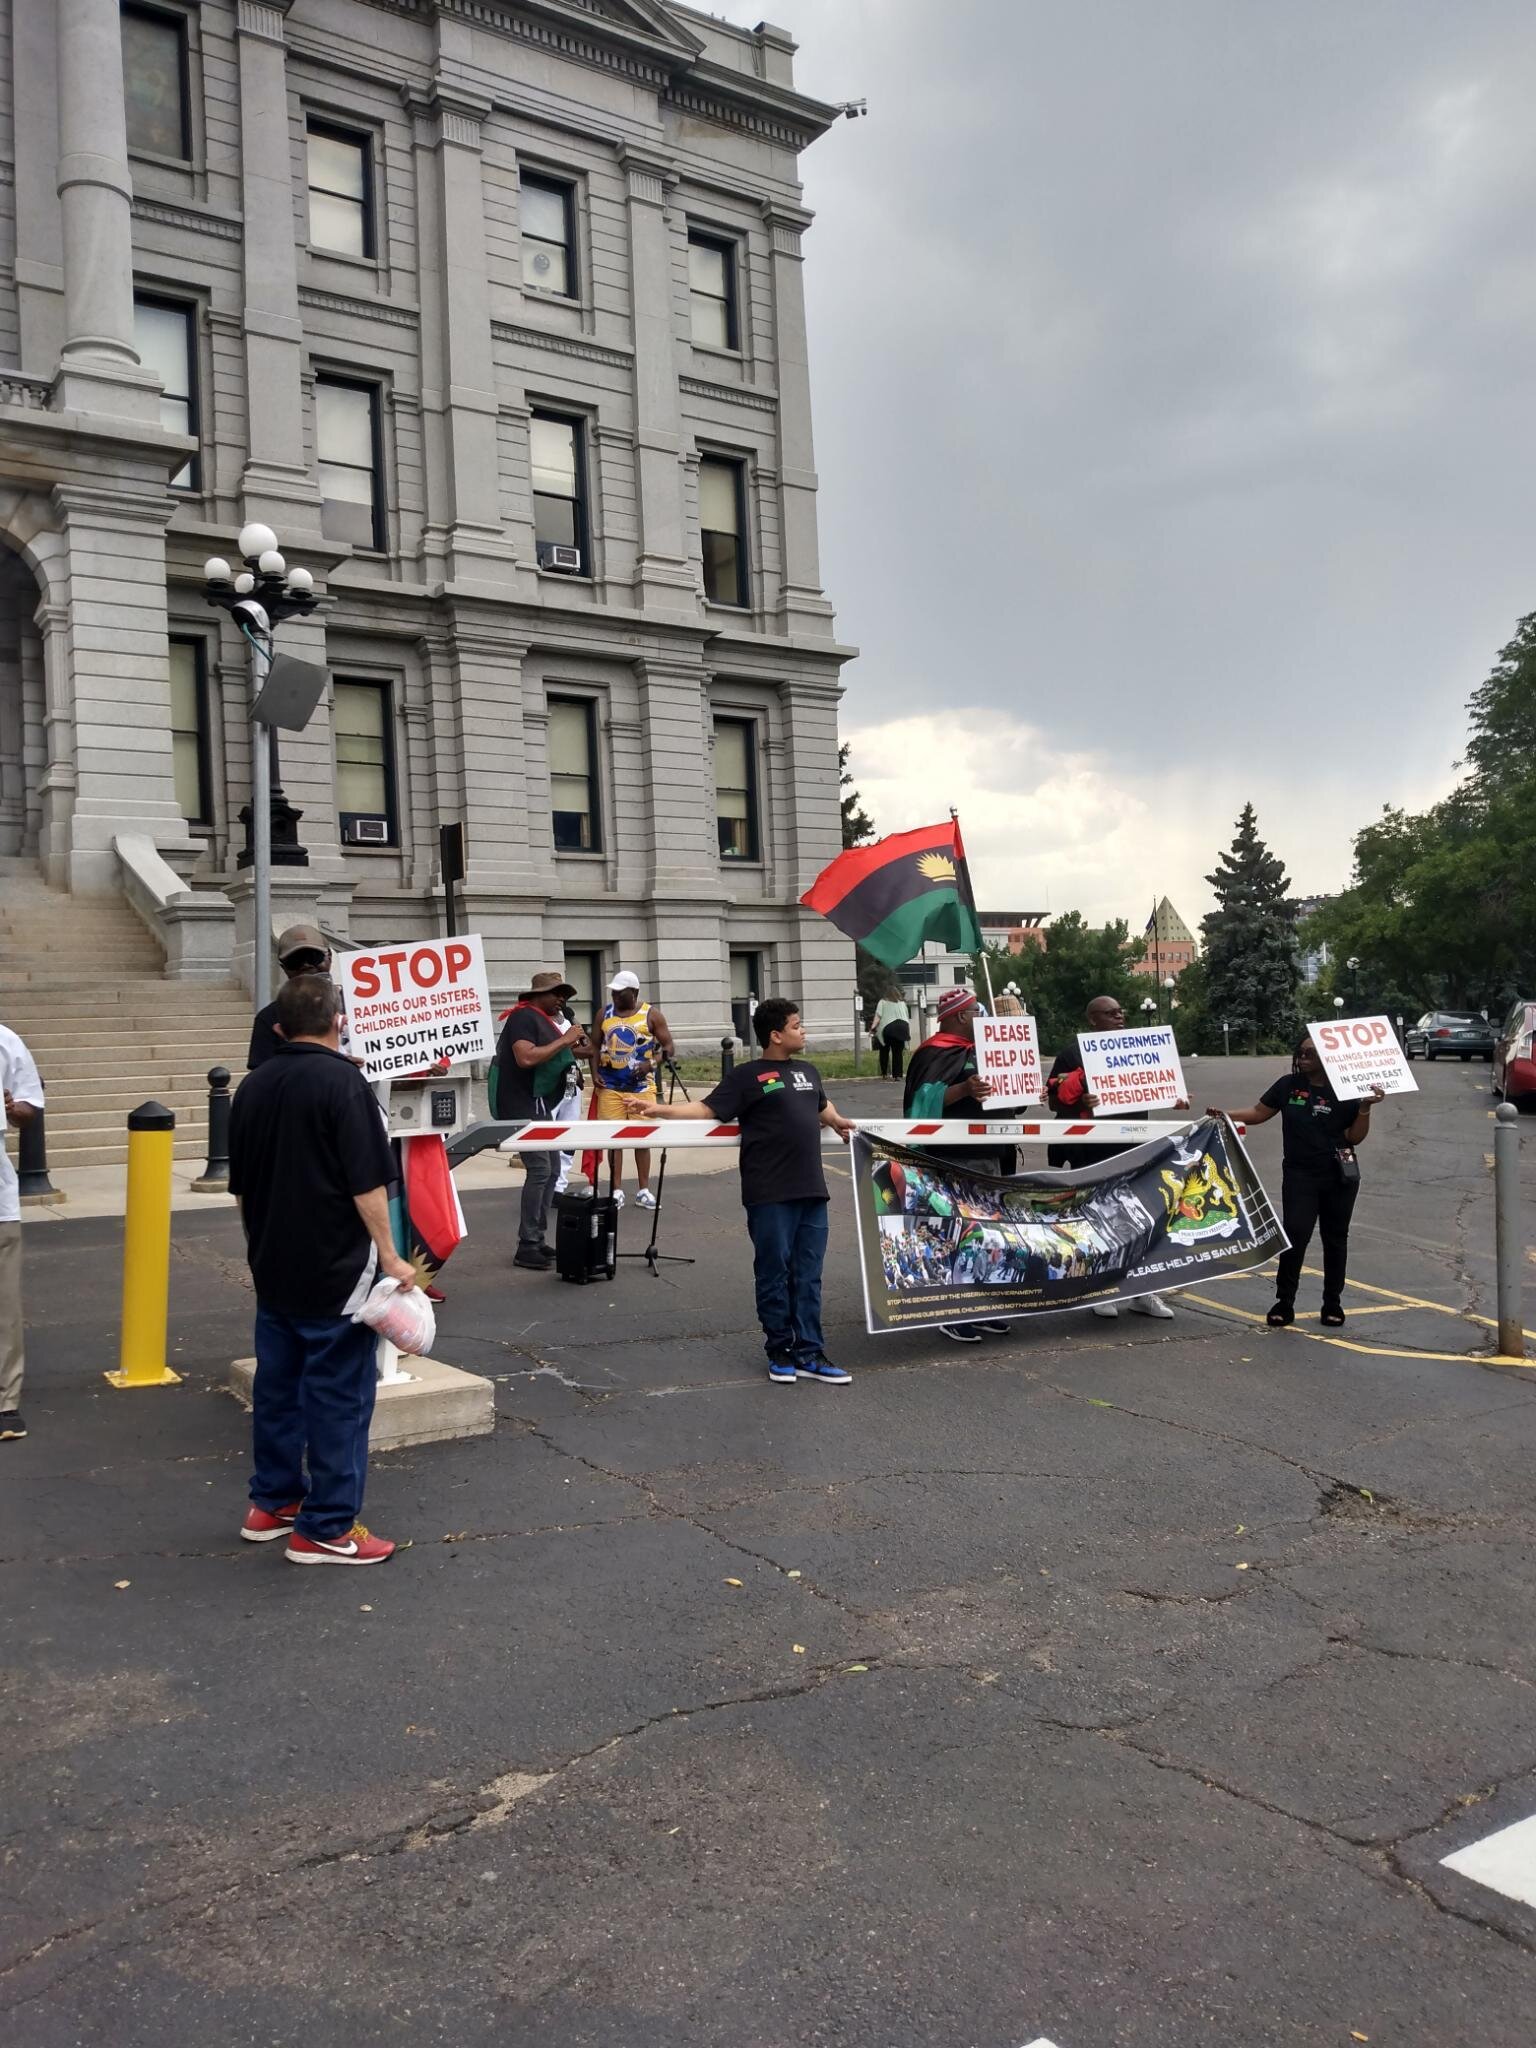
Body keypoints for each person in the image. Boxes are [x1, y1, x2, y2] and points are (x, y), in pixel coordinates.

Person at [227, 974, 417, 1565]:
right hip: (336, 1267)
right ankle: (327, 1526)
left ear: (279, 1028)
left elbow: (241, 1186)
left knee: (278, 1386)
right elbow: (366, 1180)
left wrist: (257, 1244)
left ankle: (274, 1503)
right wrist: (389, 1254)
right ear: (339, 1022)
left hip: (273, 1262)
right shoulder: (346, 1084)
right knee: (339, 1396)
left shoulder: (251, 1088)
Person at [625, 997, 858, 1385]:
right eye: (797, 1025)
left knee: (809, 1275)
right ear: (776, 1035)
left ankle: (810, 1353)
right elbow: (706, 1108)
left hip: (812, 1191)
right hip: (769, 1191)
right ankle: (780, 1351)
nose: (804, 1031)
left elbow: (821, 1103)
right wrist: (659, 1109)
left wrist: (834, 1120)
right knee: (773, 1272)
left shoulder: (807, 1071)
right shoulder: (748, 1076)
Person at [1209, 1037, 1384, 1328]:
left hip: (1339, 1174)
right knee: (1295, 1235)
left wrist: (1366, 1106)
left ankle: (1332, 1303)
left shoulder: (1347, 1089)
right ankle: (1284, 1301)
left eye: (1310, 1053)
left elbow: (1354, 1138)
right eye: (1300, 1053)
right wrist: (1226, 1115)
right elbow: (1258, 1112)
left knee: (1336, 1238)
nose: (1303, 1058)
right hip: (1300, 1174)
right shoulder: (1288, 1085)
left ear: (1327, 1057)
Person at [1046, 993, 1180, 1323]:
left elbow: (1159, 1084)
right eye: (1110, 1013)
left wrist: (1173, 1096)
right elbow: (1053, 1101)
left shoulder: (1141, 1048)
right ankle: (1097, 1289)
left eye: (1121, 1012)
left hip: (1133, 1147)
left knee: (1140, 1218)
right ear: (1093, 1019)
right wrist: (1081, 1099)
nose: (1119, 1017)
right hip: (1090, 1151)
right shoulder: (1072, 1054)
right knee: (1093, 1220)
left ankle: (1141, 1292)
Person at [903, 986, 1016, 1344]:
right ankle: (954, 1310)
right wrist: (964, 1089)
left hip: (991, 1154)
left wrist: (1026, 1091)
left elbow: (1008, 1096)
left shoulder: (989, 1050)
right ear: (963, 1016)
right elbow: (922, 1100)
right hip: (953, 1155)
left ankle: (983, 1305)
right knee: (959, 1232)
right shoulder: (934, 1052)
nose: (983, 1018)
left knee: (990, 1231)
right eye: (978, 1012)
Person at [496, 971, 591, 1270]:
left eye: (565, 994)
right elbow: (525, 1058)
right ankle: (526, 1246)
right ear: (538, 995)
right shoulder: (524, 1017)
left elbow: (578, 1050)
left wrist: (575, 1041)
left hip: (537, 1105)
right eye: (557, 992)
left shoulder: (543, 1020)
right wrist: (565, 1040)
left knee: (550, 1170)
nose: (562, 998)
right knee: (539, 1169)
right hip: (521, 1104)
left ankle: (536, 1239)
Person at [591, 971, 675, 1210]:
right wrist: (594, 1072)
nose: (615, 995)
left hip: (641, 1088)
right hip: (610, 1087)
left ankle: (643, 1190)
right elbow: (595, 1046)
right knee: (614, 1140)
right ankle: (616, 1190)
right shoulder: (603, 1014)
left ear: (634, 993)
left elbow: (669, 1047)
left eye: (620, 992)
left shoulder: (651, 1015)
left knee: (642, 1139)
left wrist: (652, 1063)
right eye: (613, 992)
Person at [0, 1021, 44, 1442]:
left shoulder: (5, 1041)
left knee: (3, 1307)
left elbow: (31, 1108)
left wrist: (14, 1108)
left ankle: (4, 1402)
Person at [247, 925, 334, 1070]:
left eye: (313, 956)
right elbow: (263, 1075)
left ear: (329, 958)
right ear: (284, 967)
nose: (306, 965)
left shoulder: (356, 1006)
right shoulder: (268, 1018)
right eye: (296, 960)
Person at [870, 991, 911, 1080]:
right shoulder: (903, 1003)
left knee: (884, 1051)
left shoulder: (882, 1002)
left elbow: (878, 1017)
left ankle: (884, 1073)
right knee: (898, 1053)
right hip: (902, 1027)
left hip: (888, 1028)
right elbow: (907, 1017)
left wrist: (872, 1028)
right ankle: (897, 1075)